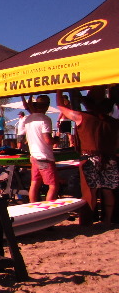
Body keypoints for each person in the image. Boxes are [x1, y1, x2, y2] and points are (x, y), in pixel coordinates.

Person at [56, 90, 119, 224]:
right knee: (108, 190)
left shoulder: (81, 117)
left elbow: (61, 106)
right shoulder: (113, 122)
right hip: (110, 158)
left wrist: (59, 90)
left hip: (90, 158)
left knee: (91, 190)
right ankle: (107, 219)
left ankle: (89, 220)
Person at [21, 94, 58, 202]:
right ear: (47, 106)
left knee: (34, 184)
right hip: (44, 156)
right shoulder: (45, 119)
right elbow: (47, 140)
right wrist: (56, 140)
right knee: (53, 186)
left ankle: (33, 207)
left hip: (34, 156)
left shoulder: (28, 119)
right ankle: (50, 211)